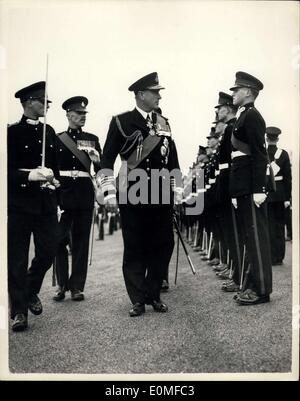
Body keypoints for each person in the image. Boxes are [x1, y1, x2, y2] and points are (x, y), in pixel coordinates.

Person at [98, 72, 181, 317]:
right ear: (141, 94)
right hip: (132, 191)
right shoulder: (121, 121)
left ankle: (153, 293)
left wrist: (176, 191)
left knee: (164, 244)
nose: (159, 96)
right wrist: (109, 192)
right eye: (155, 92)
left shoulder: (164, 122)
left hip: (161, 192)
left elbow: (172, 159)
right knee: (135, 246)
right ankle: (137, 299)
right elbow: (106, 158)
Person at [8, 81, 60, 332]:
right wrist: (28, 176)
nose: (47, 106)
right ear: (29, 102)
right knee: (17, 259)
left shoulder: (49, 132)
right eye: (43, 101)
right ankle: (18, 312)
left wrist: (52, 175)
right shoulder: (10, 133)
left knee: (50, 250)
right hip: (19, 205)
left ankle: (29, 291)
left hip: (46, 204)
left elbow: (56, 165)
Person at [229, 71, 272, 305]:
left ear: (247, 92)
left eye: (236, 89)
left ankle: (262, 290)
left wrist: (258, 188)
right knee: (250, 237)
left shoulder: (253, 116)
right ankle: (251, 285)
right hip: (243, 185)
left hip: (250, 186)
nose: (233, 93)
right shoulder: (243, 115)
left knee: (257, 239)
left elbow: (259, 155)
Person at [53, 96, 101, 301]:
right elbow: (53, 170)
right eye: (79, 114)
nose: (82, 117)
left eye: (84, 114)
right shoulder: (57, 138)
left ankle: (76, 287)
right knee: (58, 240)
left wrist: (98, 162)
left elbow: (100, 171)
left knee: (81, 242)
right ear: (68, 115)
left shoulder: (92, 139)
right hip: (62, 193)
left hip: (83, 194)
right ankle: (62, 284)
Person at [265, 127, 292, 265]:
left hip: (267, 194)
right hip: (281, 194)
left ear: (266, 138)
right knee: (280, 226)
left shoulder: (262, 153)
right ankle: (279, 256)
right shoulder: (284, 154)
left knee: (268, 225)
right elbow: (288, 178)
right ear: (277, 139)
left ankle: (270, 256)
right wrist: (288, 198)